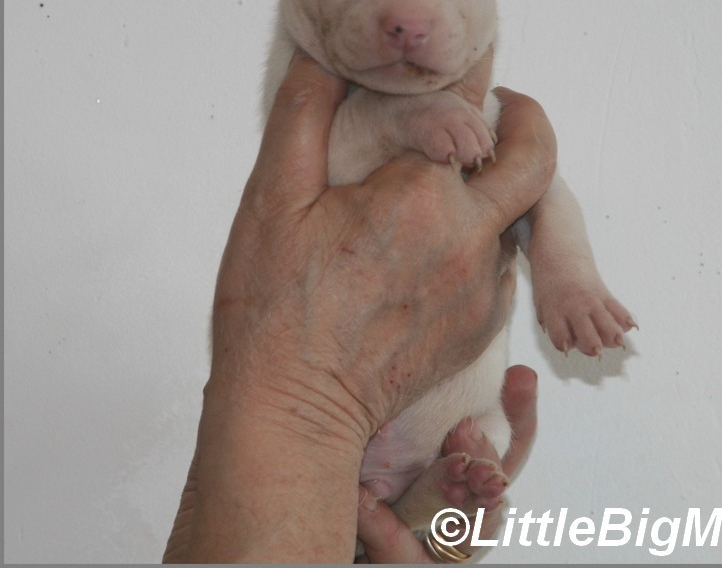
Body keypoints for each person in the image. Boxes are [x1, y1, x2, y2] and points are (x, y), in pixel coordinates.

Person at [162, 55, 557, 563]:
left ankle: (407, 508)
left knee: (486, 434)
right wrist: (315, 400)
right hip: (349, 485)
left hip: (404, 470)